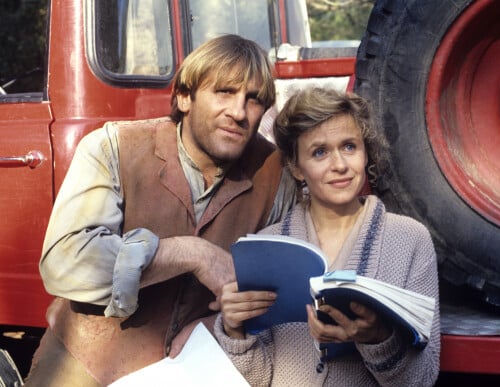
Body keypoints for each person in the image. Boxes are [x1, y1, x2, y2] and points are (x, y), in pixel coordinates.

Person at [24, 34, 296, 386]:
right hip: (84, 363)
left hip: (198, 367)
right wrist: (190, 253)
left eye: (254, 99)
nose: (239, 112)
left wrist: (215, 324)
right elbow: (65, 262)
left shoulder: (277, 177)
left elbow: (286, 284)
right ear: (184, 97)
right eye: (224, 92)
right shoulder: (113, 148)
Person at [214, 87, 440, 386]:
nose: (340, 165)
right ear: (296, 167)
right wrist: (235, 330)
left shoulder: (410, 240)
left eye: (349, 146)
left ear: (365, 151)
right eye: (319, 152)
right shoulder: (269, 246)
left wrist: (377, 339)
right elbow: (257, 379)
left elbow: (423, 379)